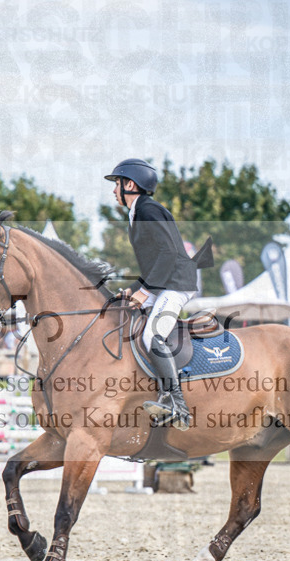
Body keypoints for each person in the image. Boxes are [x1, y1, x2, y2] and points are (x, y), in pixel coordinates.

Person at [105, 158, 205, 430]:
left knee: (153, 335)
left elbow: (167, 254)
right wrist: (136, 289)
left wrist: (146, 291)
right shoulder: (138, 212)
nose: (114, 191)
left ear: (130, 184)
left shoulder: (148, 210)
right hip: (164, 282)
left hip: (177, 284)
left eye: (116, 184)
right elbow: (153, 262)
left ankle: (177, 405)